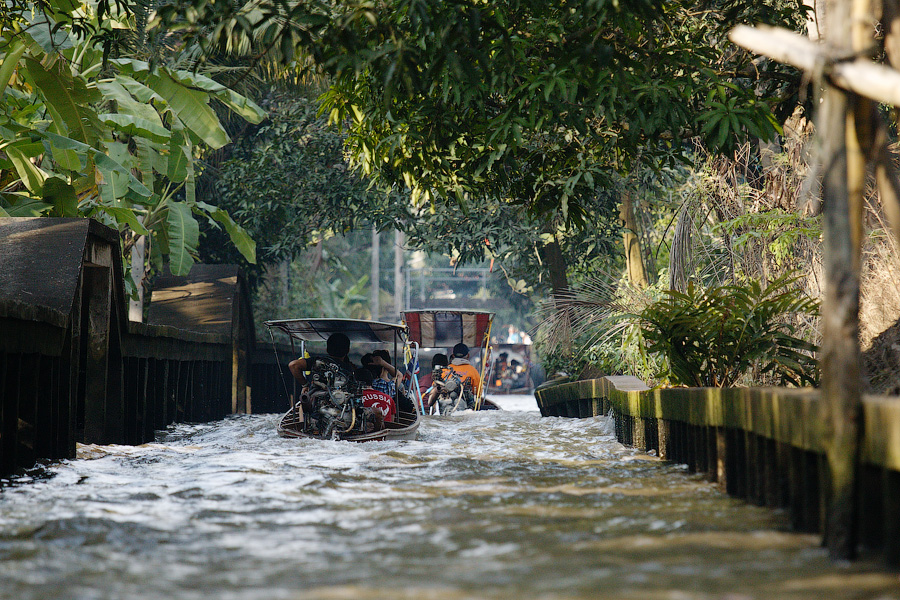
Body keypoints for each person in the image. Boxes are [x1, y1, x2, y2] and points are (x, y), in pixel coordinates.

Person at [288, 332, 353, 385]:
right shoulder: (349, 369)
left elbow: (293, 365)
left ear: (327, 349)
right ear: (348, 350)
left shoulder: (317, 361)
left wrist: (305, 385)